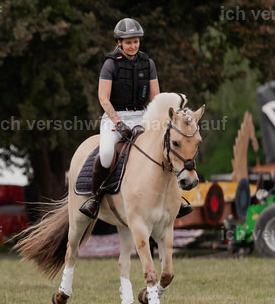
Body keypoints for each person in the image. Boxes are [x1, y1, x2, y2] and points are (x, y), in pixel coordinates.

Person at [80, 18, 192, 218]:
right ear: (119, 42)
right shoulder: (110, 64)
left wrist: (157, 120)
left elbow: (155, 98)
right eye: (128, 42)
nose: (133, 45)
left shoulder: (148, 63)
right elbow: (103, 98)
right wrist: (118, 123)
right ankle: (95, 198)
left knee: (165, 148)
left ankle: (175, 198)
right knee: (106, 154)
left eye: (136, 41)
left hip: (142, 115)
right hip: (114, 117)